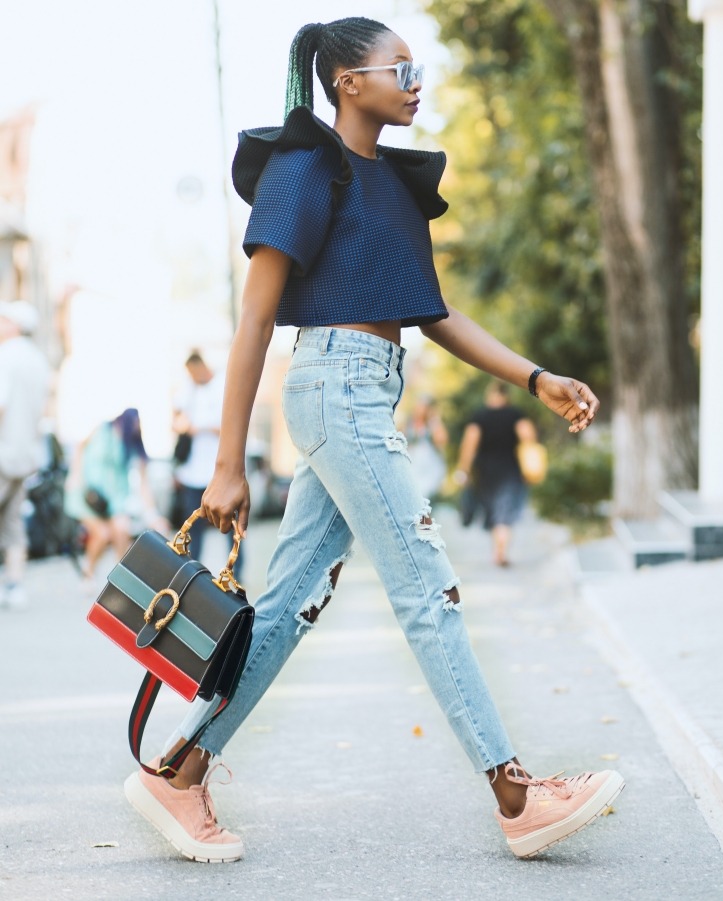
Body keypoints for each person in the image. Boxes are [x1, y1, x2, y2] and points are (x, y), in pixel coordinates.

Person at [122, 18, 622, 865]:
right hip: (333, 388)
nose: (418, 80)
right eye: (402, 67)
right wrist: (226, 461)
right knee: (427, 587)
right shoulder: (304, 167)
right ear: (349, 81)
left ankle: (179, 771)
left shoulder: (391, 184)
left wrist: (537, 378)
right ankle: (514, 793)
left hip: (368, 393)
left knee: (286, 608)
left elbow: (433, 313)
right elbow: (254, 318)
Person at [65, 408, 165, 584]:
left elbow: (144, 483)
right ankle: (88, 573)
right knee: (102, 535)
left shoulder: (133, 443)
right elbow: (80, 446)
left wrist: (153, 515)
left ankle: (120, 578)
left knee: (122, 529)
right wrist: (76, 473)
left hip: (115, 498)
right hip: (89, 494)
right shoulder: (102, 429)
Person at [0, 302, 49, 610]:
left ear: (14, 325)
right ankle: (14, 585)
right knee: (13, 521)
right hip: (25, 455)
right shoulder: (38, 359)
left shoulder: (6, 355)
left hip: (2, 451)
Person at [455, 381, 536, 566]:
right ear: (507, 396)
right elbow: (528, 436)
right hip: (510, 468)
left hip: (486, 470)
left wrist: (464, 469)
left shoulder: (480, 416)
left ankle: (497, 549)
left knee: (492, 509)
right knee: (505, 512)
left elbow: (469, 444)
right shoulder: (515, 414)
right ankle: (501, 550)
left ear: (490, 395)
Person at [172, 351, 229, 563]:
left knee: (229, 525)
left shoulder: (223, 383)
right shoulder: (189, 388)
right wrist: (181, 423)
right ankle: (193, 568)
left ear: (201, 367)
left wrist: (200, 427)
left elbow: (229, 427)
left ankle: (235, 572)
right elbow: (175, 413)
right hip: (192, 472)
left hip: (219, 470)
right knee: (193, 525)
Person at [405, 393, 448, 498]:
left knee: (424, 498)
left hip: (429, 468)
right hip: (412, 466)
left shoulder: (432, 423)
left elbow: (441, 440)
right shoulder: (408, 423)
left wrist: (434, 419)